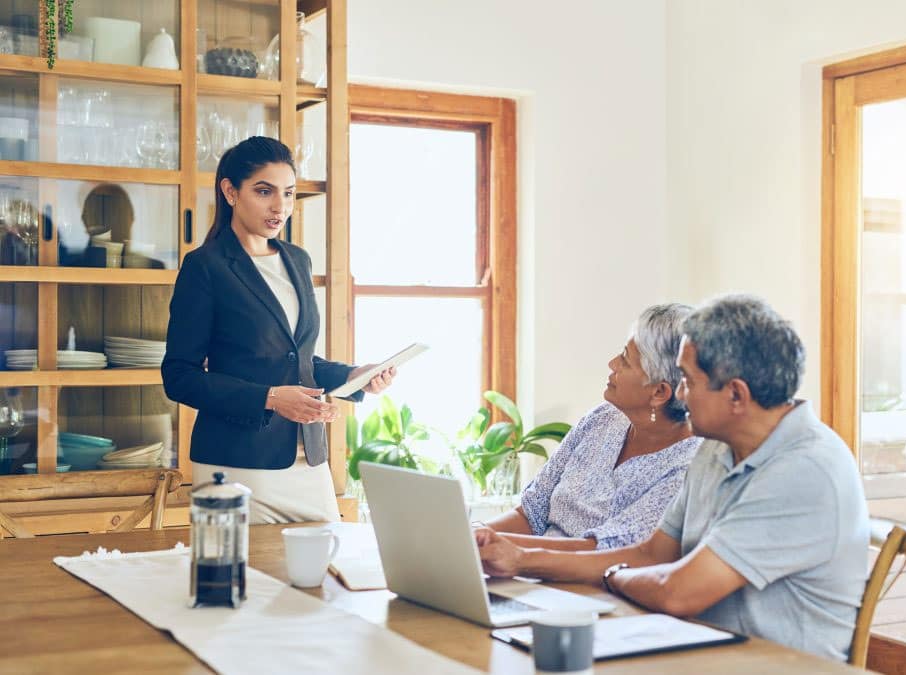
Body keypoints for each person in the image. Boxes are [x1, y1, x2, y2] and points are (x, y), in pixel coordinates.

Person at [476, 295, 869, 661]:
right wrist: (522, 558)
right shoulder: (718, 446)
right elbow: (652, 554)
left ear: (736, 395)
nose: (680, 395)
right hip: (696, 647)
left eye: (688, 380)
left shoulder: (803, 470)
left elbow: (678, 592)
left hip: (763, 663)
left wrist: (612, 576)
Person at [162, 136, 395, 524]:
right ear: (230, 191)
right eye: (264, 191)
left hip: (308, 462)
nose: (280, 207)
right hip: (237, 464)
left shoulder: (297, 260)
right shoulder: (206, 266)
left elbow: (295, 360)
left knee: (322, 576)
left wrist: (354, 377)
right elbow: (179, 377)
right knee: (249, 583)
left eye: (288, 193)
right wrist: (269, 398)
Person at [483, 303, 700, 551]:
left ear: (659, 392)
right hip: (524, 571)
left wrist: (509, 550)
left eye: (626, 361)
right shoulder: (601, 418)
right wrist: (476, 535)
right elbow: (530, 512)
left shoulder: (688, 465)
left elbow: (606, 551)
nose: (612, 363)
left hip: (589, 584)